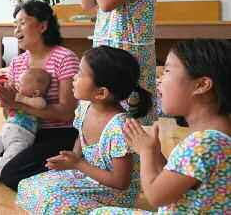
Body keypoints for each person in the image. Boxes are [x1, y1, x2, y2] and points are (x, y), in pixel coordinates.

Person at [90, 39, 231, 215]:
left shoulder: (203, 143)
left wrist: (146, 152)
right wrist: (156, 153)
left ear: (201, 85)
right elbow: (171, 179)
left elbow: (156, 195)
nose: (159, 80)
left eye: (167, 71)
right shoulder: (216, 136)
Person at [0, 0, 80, 191]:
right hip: (23, 132)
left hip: (59, 133)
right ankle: (19, 165)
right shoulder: (17, 64)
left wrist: (19, 104)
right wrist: (6, 103)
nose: (16, 31)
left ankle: (64, 166)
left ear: (42, 26)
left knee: (11, 174)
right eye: (15, 25)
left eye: (22, 23)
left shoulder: (65, 58)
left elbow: (67, 112)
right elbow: (11, 116)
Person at [17, 45, 152, 214]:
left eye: (80, 73)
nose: (74, 77)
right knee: (29, 186)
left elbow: (121, 182)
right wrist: (72, 157)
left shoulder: (119, 128)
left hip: (114, 194)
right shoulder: (85, 107)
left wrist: (78, 164)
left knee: (56, 205)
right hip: (89, 176)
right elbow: (80, 137)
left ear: (101, 93)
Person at [0, 68, 51, 185]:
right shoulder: (18, 96)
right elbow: (6, 112)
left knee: (11, 155)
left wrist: (20, 99)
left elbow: (42, 105)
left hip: (22, 136)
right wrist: (5, 101)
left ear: (35, 93)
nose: (17, 87)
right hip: (6, 130)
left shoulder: (36, 100)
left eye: (21, 84)